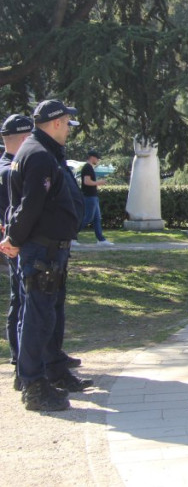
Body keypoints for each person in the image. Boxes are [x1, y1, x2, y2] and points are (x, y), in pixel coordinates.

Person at [1, 100, 91, 412]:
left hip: (46, 248)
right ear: (55, 123)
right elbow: (30, 205)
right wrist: (15, 239)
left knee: (41, 315)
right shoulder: (38, 154)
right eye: (67, 123)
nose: (68, 129)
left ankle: (42, 375)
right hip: (41, 249)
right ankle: (34, 386)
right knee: (37, 318)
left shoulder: (37, 150)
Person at [2, 115, 34, 373]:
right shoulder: (9, 170)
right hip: (15, 244)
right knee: (20, 300)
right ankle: (18, 357)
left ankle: (20, 356)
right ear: (24, 138)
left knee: (20, 298)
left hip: (16, 241)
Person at [79, 150, 114, 246]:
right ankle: (71, 236)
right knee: (88, 218)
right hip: (89, 196)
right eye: (97, 158)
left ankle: (101, 240)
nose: (98, 160)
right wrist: (99, 182)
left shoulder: (89, 167)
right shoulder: (87, 167)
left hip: (93, 196)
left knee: (97, 218)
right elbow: (86, 182)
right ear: (92, 157)